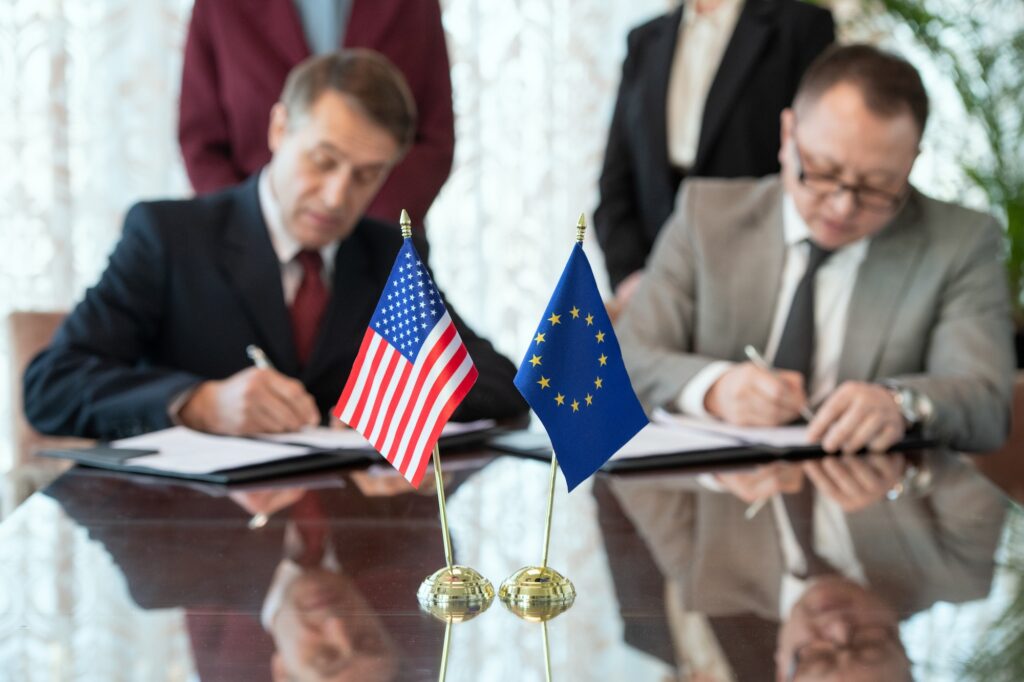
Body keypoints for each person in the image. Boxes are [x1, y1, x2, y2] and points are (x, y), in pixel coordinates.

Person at [24, 50, 525, 441]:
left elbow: (499, 382)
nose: (336, 197)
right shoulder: (168, 236)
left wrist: (396, 405)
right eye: (323, 161)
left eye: (366, 176)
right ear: (279, 128)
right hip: (192, 540)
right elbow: (52, 385)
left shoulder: (385, 252)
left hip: (351, 535)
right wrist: (196, 403)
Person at [617, 44, 1014, 504]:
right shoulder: (706, 215)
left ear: (912, 162)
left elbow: (985, 403)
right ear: (788, 135)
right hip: (722, 515)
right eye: (823, 172)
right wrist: (713, 388)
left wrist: (899, 404)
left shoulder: (960, 241)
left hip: (878, 520)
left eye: (879, 185)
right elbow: (629, 353)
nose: (843, 207)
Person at [594, 0, 834, 308]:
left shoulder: (800, 27)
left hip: (754, 273)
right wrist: (630, 275)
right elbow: (617, 175)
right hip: (653, 273)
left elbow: (807, 162)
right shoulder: (644, 39)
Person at [178, 0, 454, 229]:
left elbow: (435, 135)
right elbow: (200, 139)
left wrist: (361, 232)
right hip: (245, 238)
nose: (333, 197)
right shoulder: (218, 6)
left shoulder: (416, 5)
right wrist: (248, 225)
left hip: (376, 245)